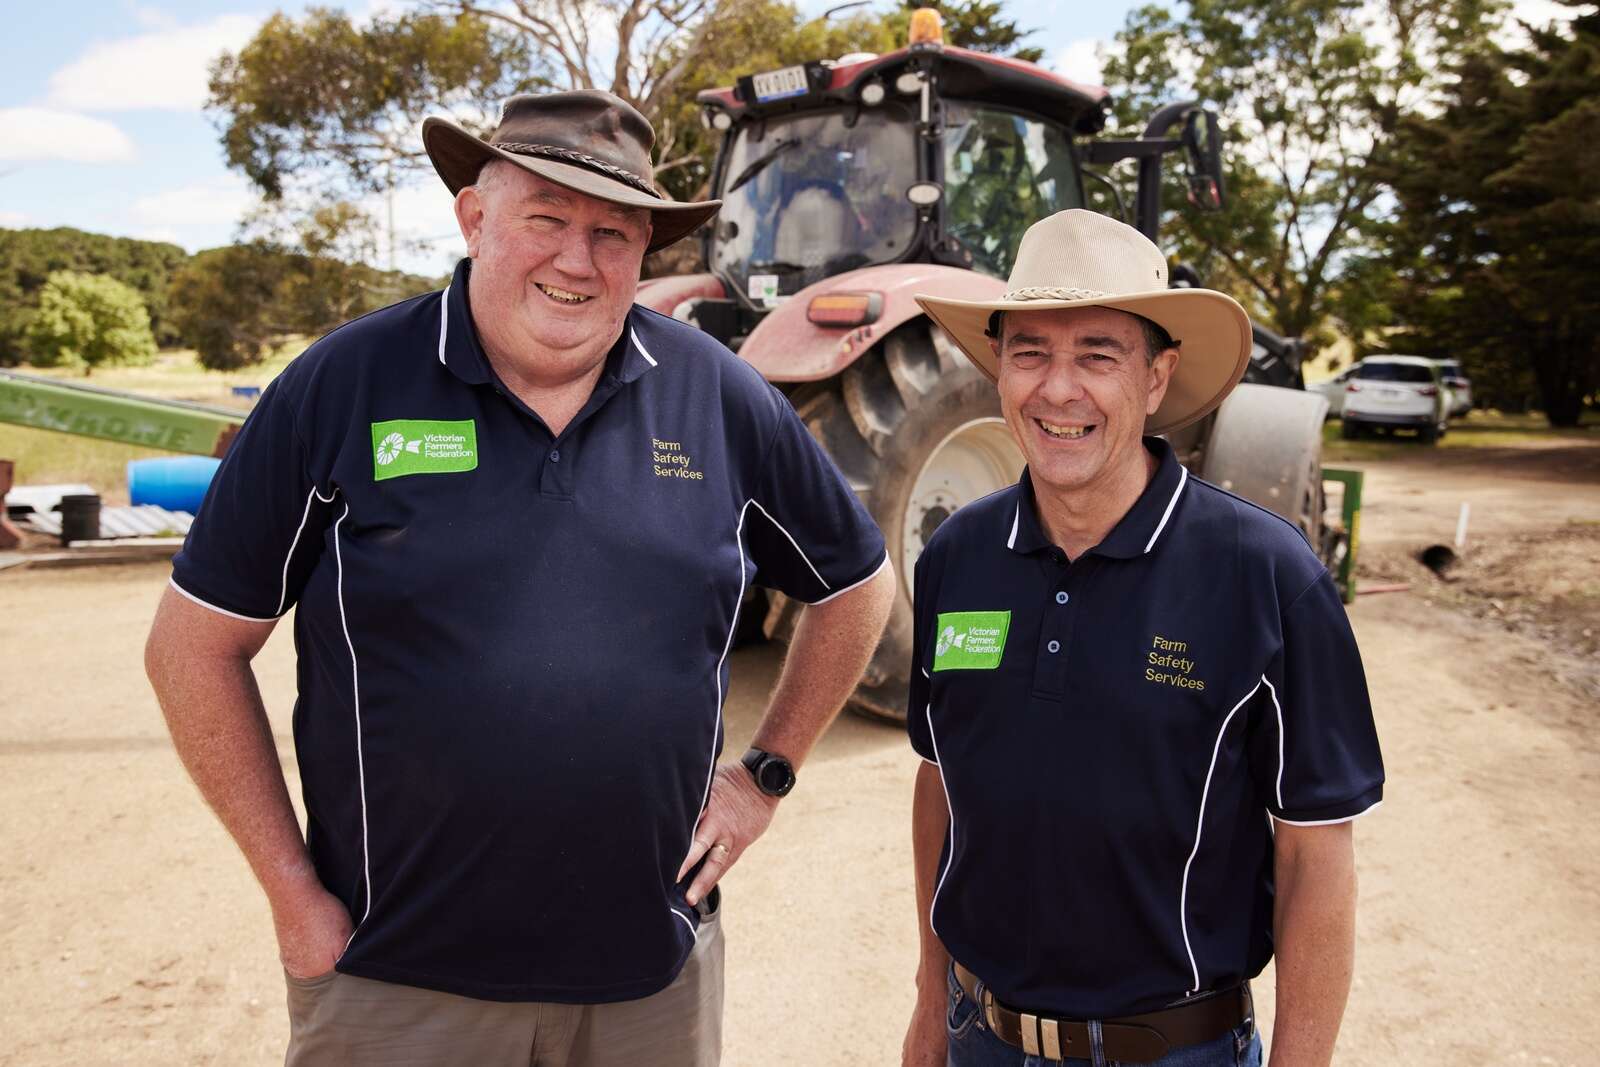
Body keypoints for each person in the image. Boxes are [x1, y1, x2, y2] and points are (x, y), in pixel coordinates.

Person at [144, 90, 895, 1067]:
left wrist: (766, 772)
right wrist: (293, 893)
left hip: (649, 985)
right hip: (393, 985)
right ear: (474, 215)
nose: (577, 261)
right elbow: (190, 647)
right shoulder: (342, 387)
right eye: (547, 218)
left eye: (613, 234)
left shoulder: (718, 396)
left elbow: (857, 583)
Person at [902, 209, 1385, 1067]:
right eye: (1030, 353)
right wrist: (928, 1002)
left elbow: (1315, 855)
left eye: (1097, 354)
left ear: (1157, 377)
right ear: (999, 371)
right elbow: (942, 783)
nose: (1058, 389)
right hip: (980, 1037)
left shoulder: (1267, 577)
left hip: (1175, 1052)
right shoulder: (954, 558)